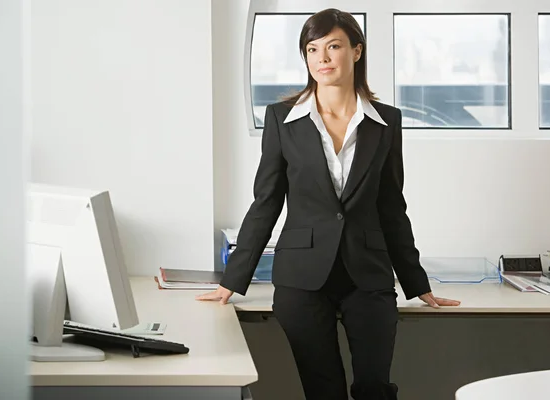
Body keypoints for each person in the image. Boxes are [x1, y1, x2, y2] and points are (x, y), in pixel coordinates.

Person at [197, 8, 460, 400]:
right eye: (312, 49)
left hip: (367, 276)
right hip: (301, 277)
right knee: (324, 390)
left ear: (356, 51)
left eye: (333, 46)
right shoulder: (282, 118)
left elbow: (391, 207)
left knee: (374, 386)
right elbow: (266, 202)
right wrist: (233, 280)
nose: (321, 58)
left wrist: (416, 282)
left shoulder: (386, 121)